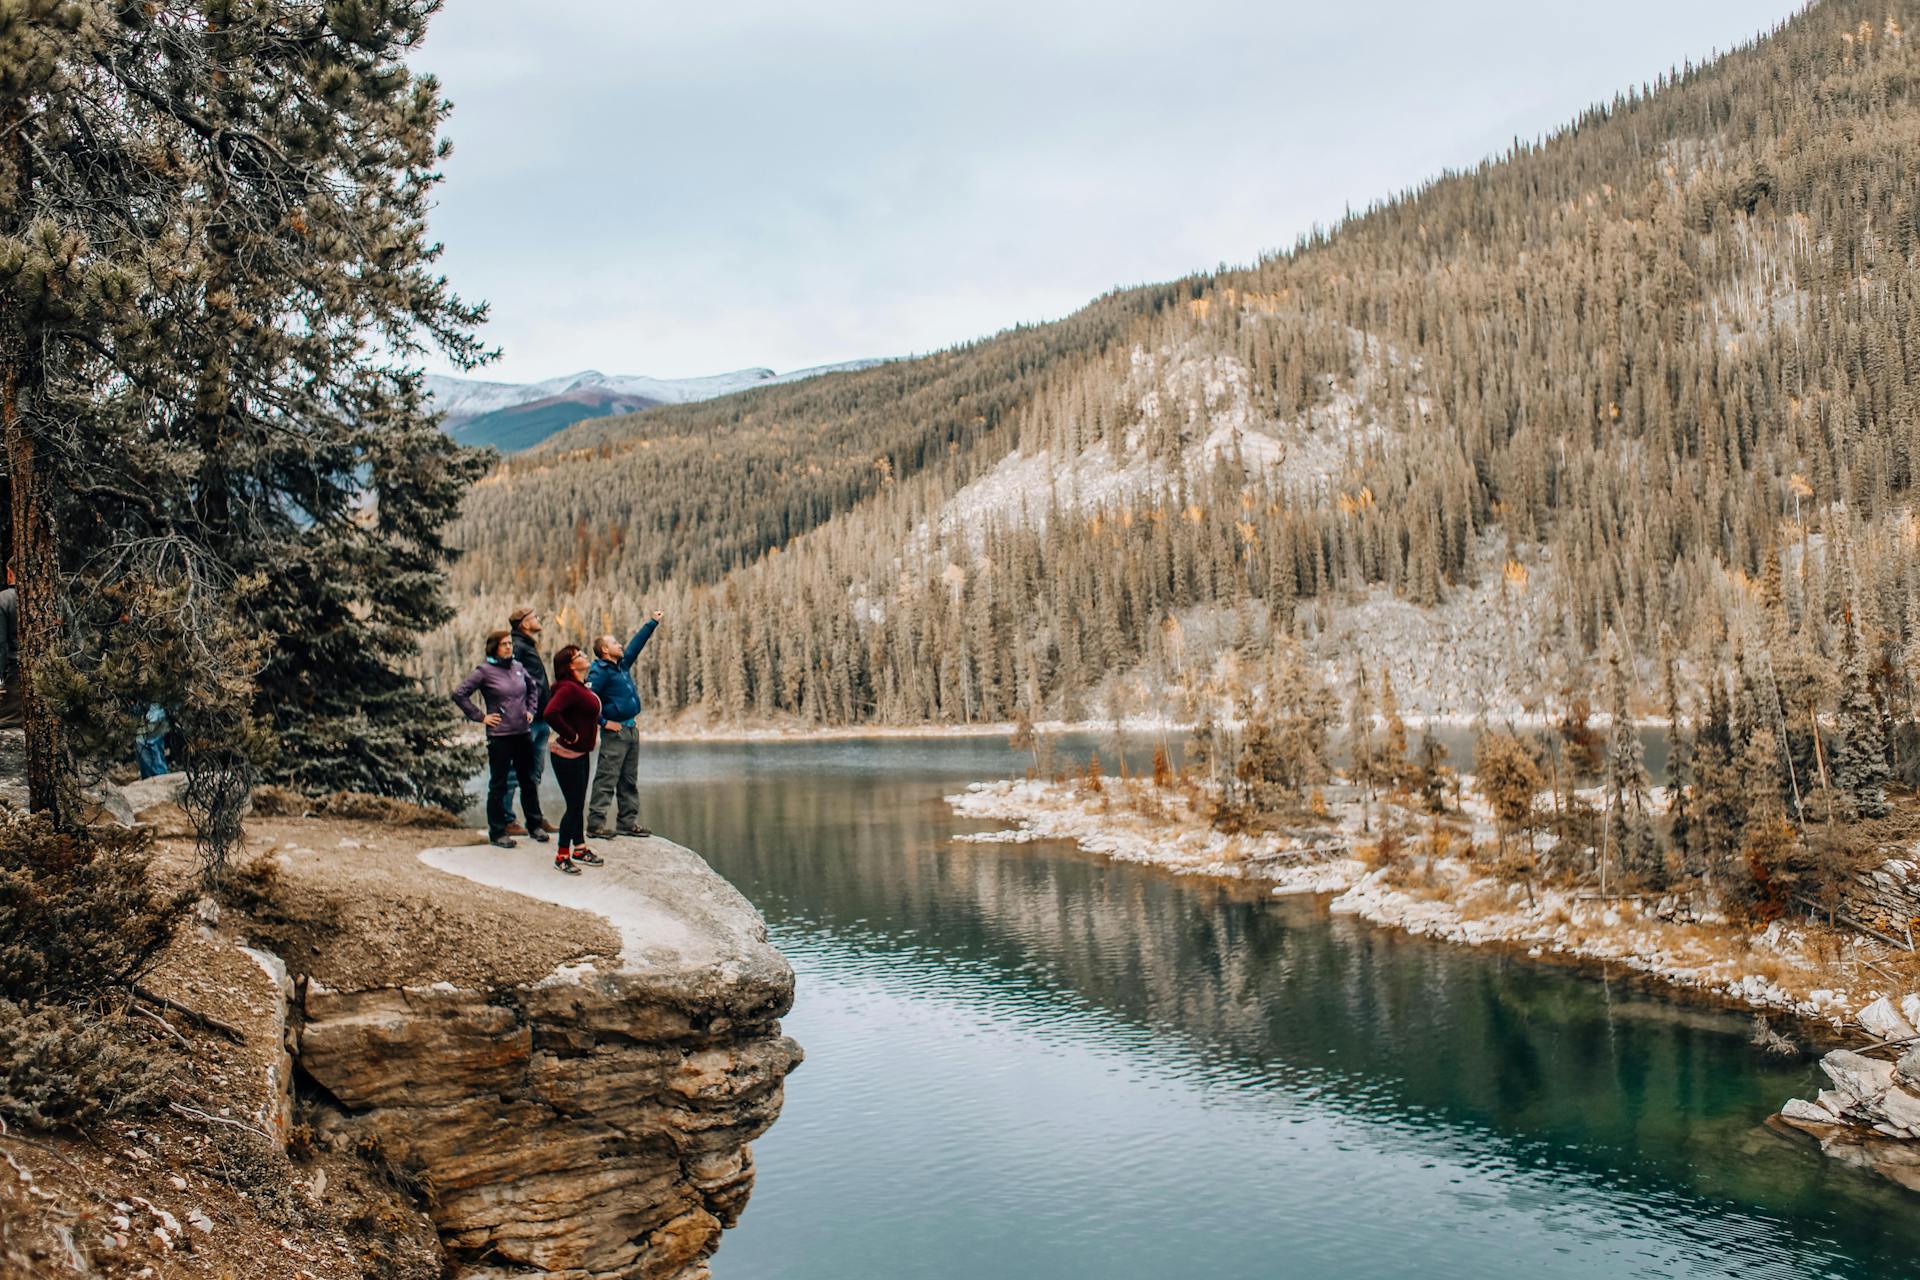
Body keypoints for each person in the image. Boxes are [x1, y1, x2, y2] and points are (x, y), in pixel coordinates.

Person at [452, 629, 550, 848]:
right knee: (499, 785)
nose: (509, 647)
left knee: (528, 781)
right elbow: (459, 694)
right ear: (494, 647)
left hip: (523, 733)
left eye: (510, 644)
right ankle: (497, 832)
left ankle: (535, 826)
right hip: (500, 736)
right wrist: (481, 717)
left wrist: (531, 710)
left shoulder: (517, 667)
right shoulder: (485, 671)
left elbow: (533, 688)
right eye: (504, 644)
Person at [586, 611, 663, 839]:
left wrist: (652, 623)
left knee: (629, 779)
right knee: (606, 778)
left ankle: (627, 823)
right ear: (604, 650)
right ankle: (595, 825)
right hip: (615, 732)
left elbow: (636, 645)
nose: (620, 645)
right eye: (614, 643)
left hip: (631, 730)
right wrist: (602, 722)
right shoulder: (599, 671)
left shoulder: (621, 665)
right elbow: (587, 700)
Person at [543, 643, 604, 874]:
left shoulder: (578, 686)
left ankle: (579, 848)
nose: (584, 655)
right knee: (574, 805)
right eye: (579, 655)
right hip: (567, 755)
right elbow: (550, 713)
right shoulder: (567, 688)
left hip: (581, 753)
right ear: (570, 665)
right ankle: (562, 855)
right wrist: (571, 735)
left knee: (578, 804)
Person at [502, 605, 554, 836]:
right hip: (527, 719)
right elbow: (509, 680)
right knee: (516, 771)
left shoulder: (527, 645)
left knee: (535, 771)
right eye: (534, 616)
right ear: (523, 623)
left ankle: (535, 818)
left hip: (542, 718)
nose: (538, 618)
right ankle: (506, 819)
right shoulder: (517, 647)